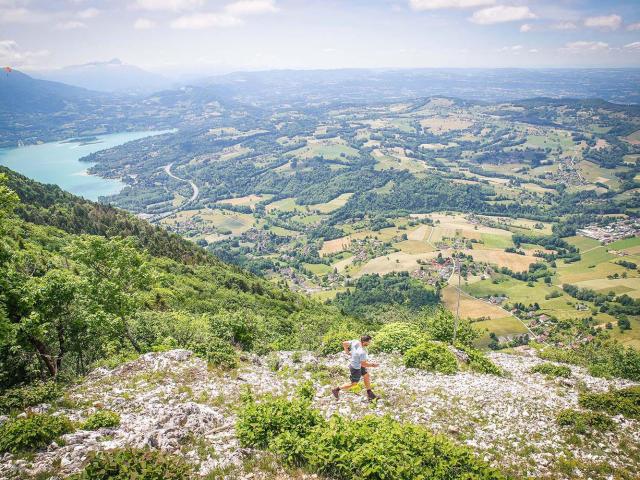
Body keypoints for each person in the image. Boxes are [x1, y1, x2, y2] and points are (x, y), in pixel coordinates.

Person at [332, 334, 379, 401]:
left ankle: (370, 393)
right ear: (365, 342)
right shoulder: (361, 352)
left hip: (357, 364)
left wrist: (347, 352)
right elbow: (364, 364)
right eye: (369, 342)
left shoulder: (355, 341)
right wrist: (373, 365)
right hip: (356, 368)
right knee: (353, 384)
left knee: (366, 375)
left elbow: (344, 343)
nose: (369, 343)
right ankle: (336, 390)